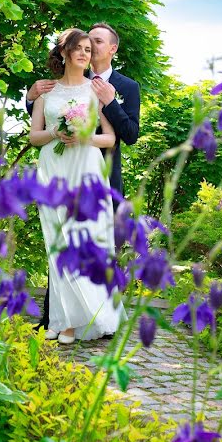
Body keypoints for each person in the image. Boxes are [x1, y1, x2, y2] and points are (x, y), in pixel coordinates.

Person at [27, 23, 141, 331]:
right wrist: (32, 97)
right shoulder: (64, 84)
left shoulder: (122, 87)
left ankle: (96, 319)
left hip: (97, 174)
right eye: (81, 45)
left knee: (95, 247)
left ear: (111, 49)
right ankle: (58, 319)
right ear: (66, 52)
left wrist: (109, 103)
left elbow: (126, 135)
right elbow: (42, 114)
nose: (87, 49)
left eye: (94, 44)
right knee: (60, 240)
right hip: (57, 168)